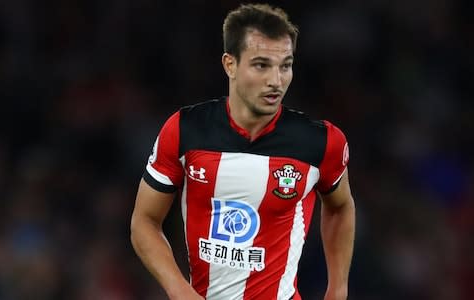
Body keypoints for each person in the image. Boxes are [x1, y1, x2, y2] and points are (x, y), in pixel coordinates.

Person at [130, 3, 355, 300]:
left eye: (285, 65)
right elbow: (143, 221)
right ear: (230, 64)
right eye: (261, 65)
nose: (276, 80)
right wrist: (178, 289)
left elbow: (340, 207)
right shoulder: (185, 130)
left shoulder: (321, 142)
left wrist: (337, 290)